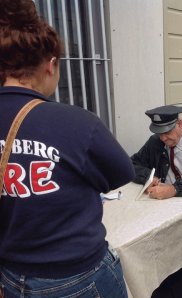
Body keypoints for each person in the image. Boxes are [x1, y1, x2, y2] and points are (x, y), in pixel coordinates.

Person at [0, 1, 135, 297]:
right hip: (76, 276)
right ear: (50, 64)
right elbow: (122, 171)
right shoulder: (75, 122)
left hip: (11, 276)